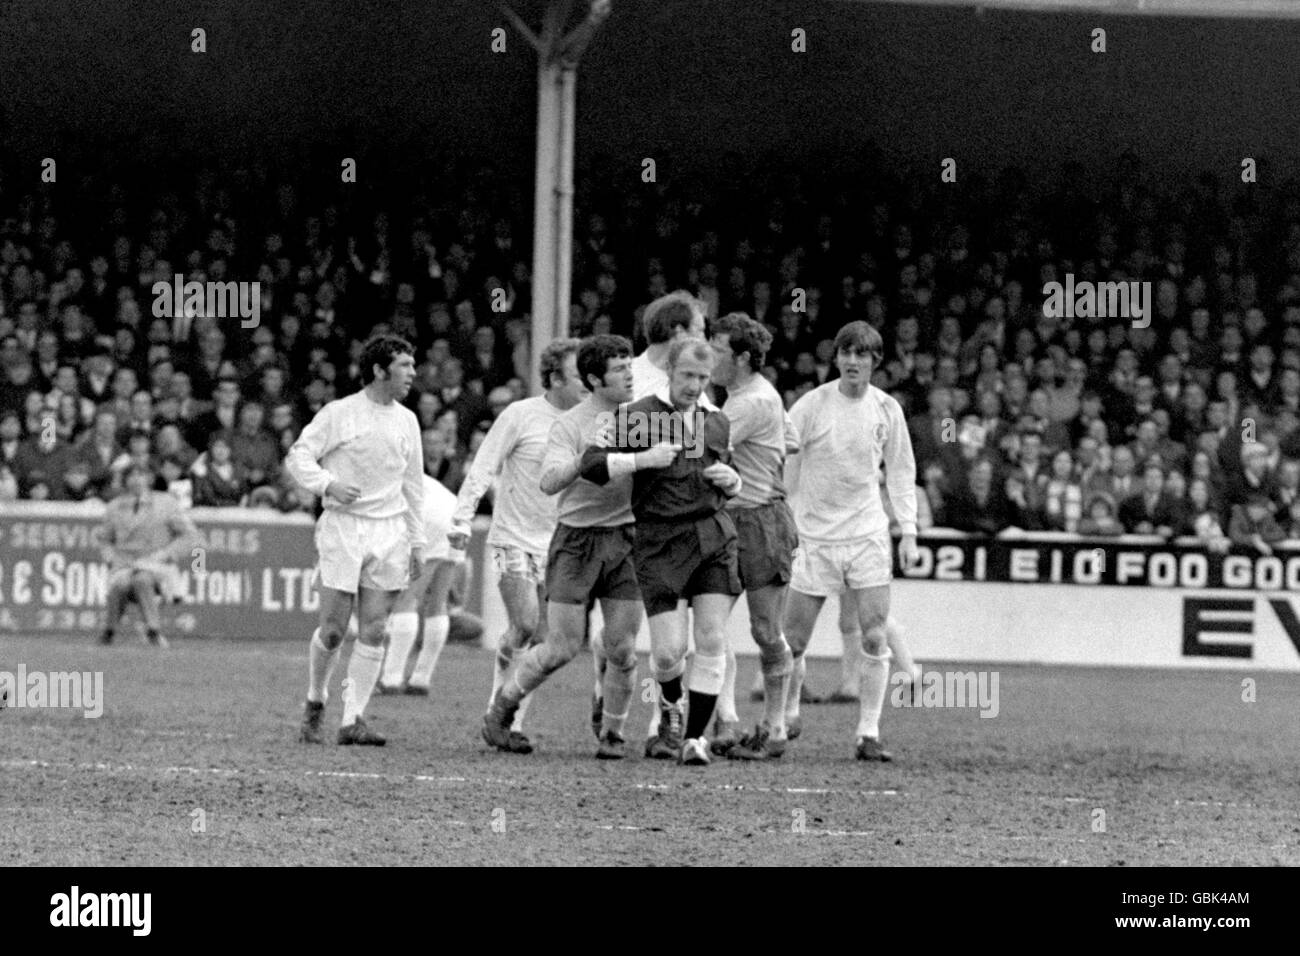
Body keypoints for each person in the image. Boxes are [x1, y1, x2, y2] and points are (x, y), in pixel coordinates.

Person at [579, 338, 743, 765]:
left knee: (712, 639)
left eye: (704, 378)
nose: (695, 385)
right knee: (669, 653)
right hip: (658, 542)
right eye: (687, 375)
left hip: (712, 537)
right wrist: (641, 460)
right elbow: (592, 464)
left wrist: (734, 481)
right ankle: (672, 703)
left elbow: (728, 474)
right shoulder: (636, 417)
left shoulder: (717, 421)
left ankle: (694, 740)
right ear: (670, 371)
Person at [481, 335, 644, 760]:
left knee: (623, 648)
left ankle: (612, 732)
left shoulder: (642, 418)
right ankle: (502, 709)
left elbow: (685, 453)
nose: (630, 375)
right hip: (576, 541)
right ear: (593, 379)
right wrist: (589, 459)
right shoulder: (569, 424)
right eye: (620, 369)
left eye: (631, 366)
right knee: (560, 647)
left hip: (626, 539)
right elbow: (550, 480)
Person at [782, 321, 920, 762]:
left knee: (875, 636)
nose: (853, 362)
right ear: (836, 358)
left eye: (862, 355)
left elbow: (900, 471)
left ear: (876, 361)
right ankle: (785, 713)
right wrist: (784, 514)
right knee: (794, 641)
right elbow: (782, 455)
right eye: (846, 353)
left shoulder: (887, 410)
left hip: (867, 536)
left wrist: (908, 531)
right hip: (815, 538)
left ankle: (868, 732)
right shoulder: (811, 405)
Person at [447, 338, 588, 753]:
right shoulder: (521, 415)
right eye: (580, 374)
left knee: (551, 639)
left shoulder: (593, 421)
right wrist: (461, 517)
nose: (587, 382)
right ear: (555, 376)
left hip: (563, 541)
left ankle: (509, 719)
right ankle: (499, 709)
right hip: (515, 537)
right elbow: (484, 464)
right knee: (525, 624)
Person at [286, 335, 426, 747]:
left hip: (390, 532)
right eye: (404, 365)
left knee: (376, 628)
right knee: (332, 630)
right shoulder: (339, 413)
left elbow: (413, 485)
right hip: (345, 529)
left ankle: (354, 720)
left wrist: (417, 542)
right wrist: (328, 483)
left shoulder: (408, 420)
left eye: (412, 365)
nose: (412, 374)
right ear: (380, 370)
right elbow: (298, 456)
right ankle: (316, 699)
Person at [704, 313, 797, 760]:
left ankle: (775, 726)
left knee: (764, 629)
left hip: (759, 521)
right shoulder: (749, 398)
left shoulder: (751, 402)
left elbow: (699, 446)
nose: (709, 357)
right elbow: (792, 440)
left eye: (718, 349)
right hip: (731, 518)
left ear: (742, 358)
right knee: (712, 626)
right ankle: (727, 720)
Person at [375, 471, 465, 703]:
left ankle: (391, 678)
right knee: (438, 602)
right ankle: (421, 678)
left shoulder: (382, 475)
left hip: (429, 515)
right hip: (457, 513)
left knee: (408, 597)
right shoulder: (413, 474)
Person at [97, 462, 200, 648]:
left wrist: (167, 554)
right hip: (124, 564)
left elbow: (189, 535)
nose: (136, 480)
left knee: (141, 580)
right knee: (120, 584)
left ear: (149, 479)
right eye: (132, 476)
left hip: (157, 564)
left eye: (141, 475)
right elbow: (105, 539)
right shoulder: (114, 507)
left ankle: (153, 630)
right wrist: (110, 558)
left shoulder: (166, 503)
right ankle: (109, 630)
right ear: (125, 480)